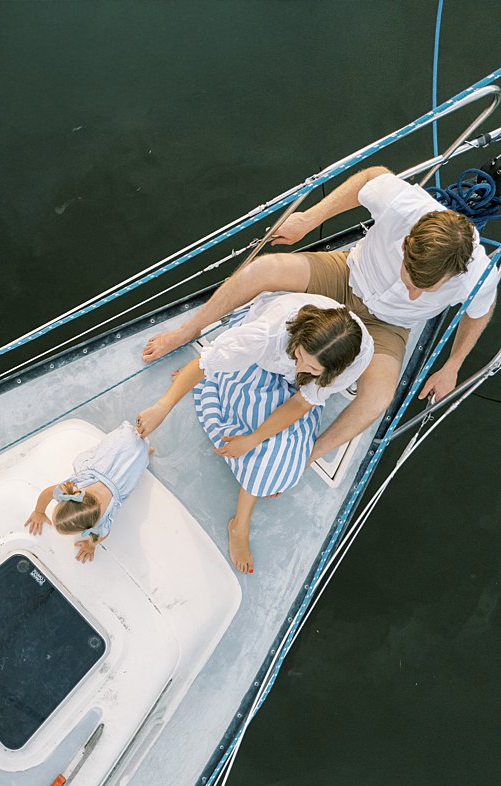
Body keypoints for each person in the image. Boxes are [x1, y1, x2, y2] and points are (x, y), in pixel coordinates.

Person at [141, 166, 498, 465]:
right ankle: (187, 331)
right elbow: (369, 177)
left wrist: (452, 365)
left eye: (427, 289)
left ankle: (307, 456)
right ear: (406, 246)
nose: (414, 294)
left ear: (455, 273)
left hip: (390, 325)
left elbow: (480, 314)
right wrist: (309, 220)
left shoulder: (479, 276)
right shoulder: (402, 204)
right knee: (262, 270)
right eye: (411, 281)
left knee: (377, 399)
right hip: (347, 275)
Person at [137, 291, 373, 574]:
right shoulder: (266, 334)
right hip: (259, 363)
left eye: (312, 367)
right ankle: (241, 524)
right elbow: (204, 364)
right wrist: (162, 407)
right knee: (266, 451)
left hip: (299, 389)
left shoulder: (356, 360)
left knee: (282, 467)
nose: (301, 367)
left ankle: (240, 521)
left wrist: (253, 439)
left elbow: (302, 402)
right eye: (300, 356)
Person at [25, 420, 151, 563]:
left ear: (89, 527)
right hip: (119, 448)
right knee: (125, 444)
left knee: (138, 460)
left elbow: (101, 536)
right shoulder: (71, 490)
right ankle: (141, 444)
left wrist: (91, 545)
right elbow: (47, 493)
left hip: (127, 472)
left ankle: (145, 453)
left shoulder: (101, 523)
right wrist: (39, 511)